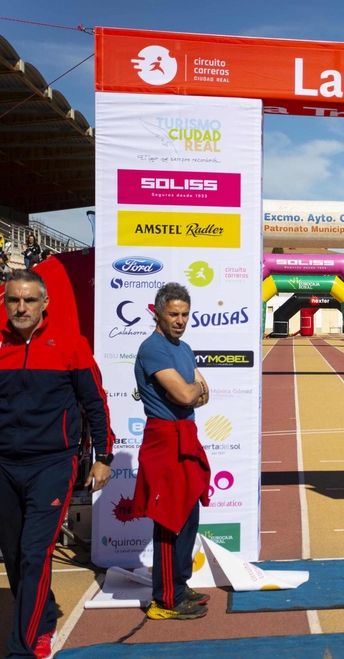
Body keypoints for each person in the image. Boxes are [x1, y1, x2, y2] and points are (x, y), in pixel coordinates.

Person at [0, 269, 113, 658]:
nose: (21, 307)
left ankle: (24, 646)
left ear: (44, 303)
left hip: (53, 464)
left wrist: (104, 456)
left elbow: (96, 402)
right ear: (5, 301)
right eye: (14, 299)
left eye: (29, 300)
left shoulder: (70, 343)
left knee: (35, 553)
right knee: (14, 555)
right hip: (3, 466)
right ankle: (42, 614)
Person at [132, 283, 212, 620]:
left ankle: (179, 583)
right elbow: (187, 395)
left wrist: (192, 390)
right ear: (157, 313)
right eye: (173, 314)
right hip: (164, 438)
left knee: (189, 513)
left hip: (185, 434)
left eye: (184, 314)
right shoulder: (153, 349)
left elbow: (203, 393)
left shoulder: (185, 347)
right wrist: (192, 390)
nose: (180, 320)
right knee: (169, 519)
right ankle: (165, 599)